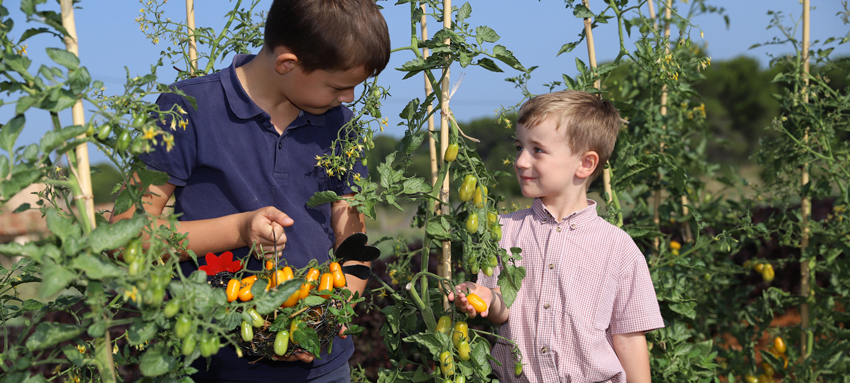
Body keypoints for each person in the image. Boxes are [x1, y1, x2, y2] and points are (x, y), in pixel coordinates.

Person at [111, 0, 390, 381]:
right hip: (218, 359)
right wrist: (240, 230)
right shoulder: (185, 109)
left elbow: (349, 226)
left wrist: (337, 306)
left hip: (323, 362)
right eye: (340, 86)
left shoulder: (342, 126)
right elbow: (125, 234)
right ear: (287, 63)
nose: (349, 98)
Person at [449, 91, 664, 383]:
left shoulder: (617, 247)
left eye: (537, 150)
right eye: (518, 147)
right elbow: (502, 310)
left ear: (585, 164)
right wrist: (484, 297)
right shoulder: (504, 230)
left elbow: (627, 338)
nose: (521, 161)